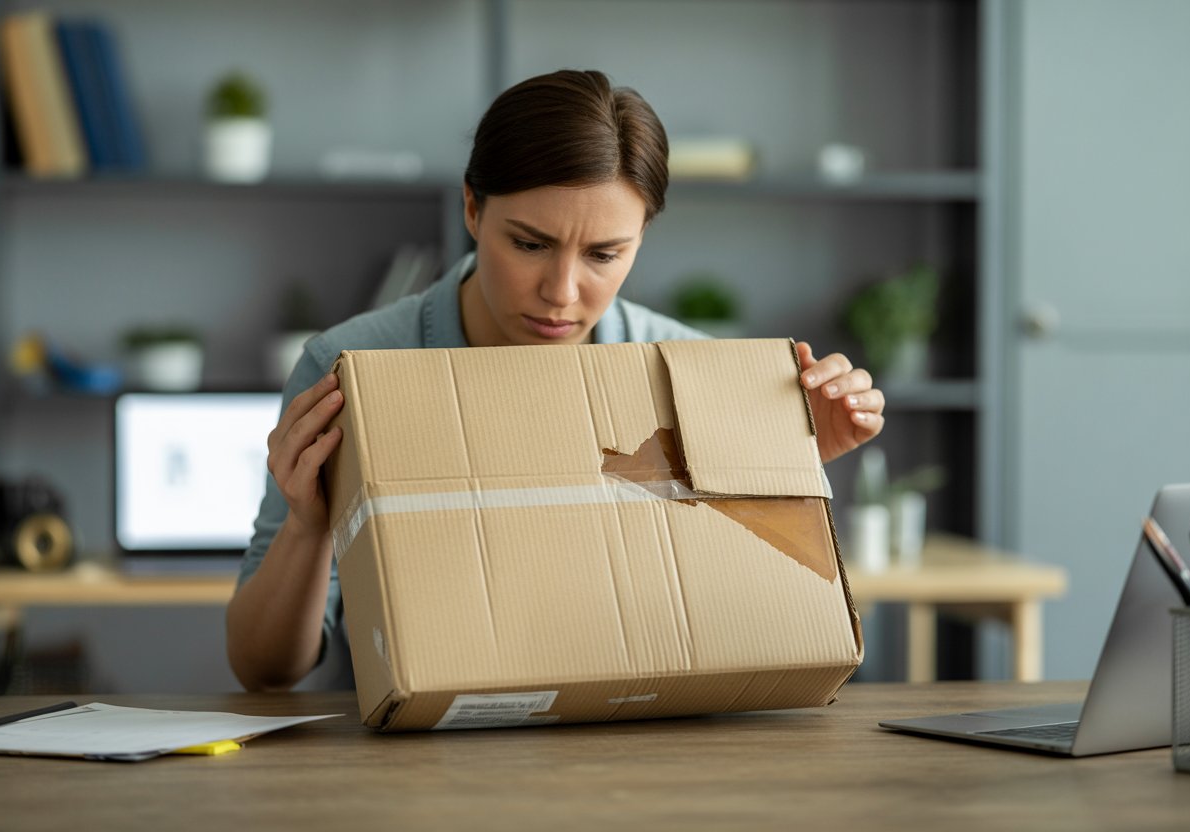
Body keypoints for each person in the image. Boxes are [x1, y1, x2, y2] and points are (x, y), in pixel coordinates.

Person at [226, 69, 886, 692]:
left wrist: (786, 478)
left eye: (604, 254)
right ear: (472, 210)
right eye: (530, 244)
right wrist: (308, 530)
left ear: (642, 239)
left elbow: (766, 637)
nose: (561, 292)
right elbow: (263, 672)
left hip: (650, 747)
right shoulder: (350, 371)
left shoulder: (694, 370)